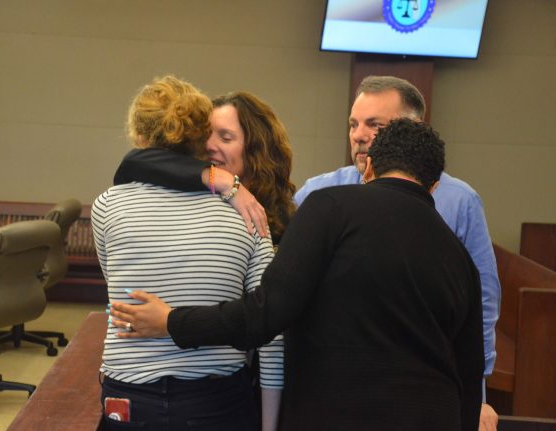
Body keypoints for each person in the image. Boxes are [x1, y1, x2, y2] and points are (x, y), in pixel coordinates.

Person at [110, 118, 485, 431]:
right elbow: (469, 376)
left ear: (368, 167)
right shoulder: (459, 258)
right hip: (432, 416)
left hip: (333, 414)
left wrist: (173, 321)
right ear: (434, 184)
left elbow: (265, 314)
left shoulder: (332, 207)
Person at [294, 75, 500, 431]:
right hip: (332, 386)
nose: (359, 135)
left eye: (375, 125)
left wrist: (476, 396)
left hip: (421, 392)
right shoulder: (319, 192)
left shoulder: (458, 200)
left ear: (412, 130)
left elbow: (482, 304)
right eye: (353, 124)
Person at [92, 75, 284, 431]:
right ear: (201, 139)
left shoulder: (108, 205)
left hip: (131, 396)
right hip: (216, 399)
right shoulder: (249, 212)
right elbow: (271, 334)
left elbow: (116, 291)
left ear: (139, 137)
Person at [112, 90, 297, 245]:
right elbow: (134, 162)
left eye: (225, 138)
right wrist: (223, 181)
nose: (209, 145)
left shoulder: (288, 223)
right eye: (205, 136)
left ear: (257, 149)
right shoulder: (197, 195)